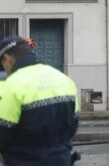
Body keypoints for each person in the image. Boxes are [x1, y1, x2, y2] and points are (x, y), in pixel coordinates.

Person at [0, 36, 79, 165]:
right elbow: (73, 124)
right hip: (62, 160)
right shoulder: (64, 80)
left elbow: (2, 132)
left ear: (7, 59)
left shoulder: (11, 86)